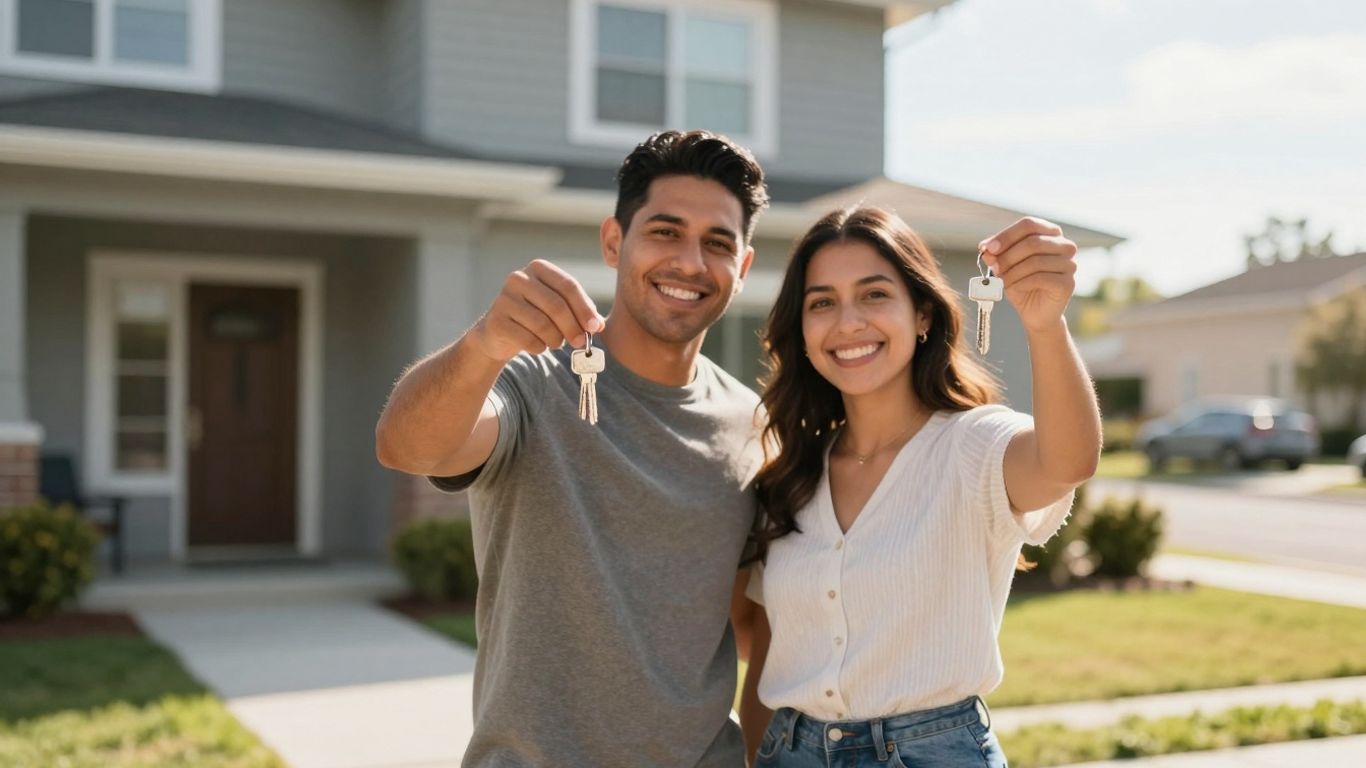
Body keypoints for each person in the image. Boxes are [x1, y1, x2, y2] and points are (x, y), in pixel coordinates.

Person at [375, 130, 771, 767]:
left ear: (743, 268)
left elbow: (753, 627)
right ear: (615, 242)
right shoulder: (530, 384)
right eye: (665, 232)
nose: (691, 263)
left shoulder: (751, 423)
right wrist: (483, 345)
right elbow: (407, 447)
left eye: (718, 243)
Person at [738, 207, 1101, 767]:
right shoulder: (790, 475)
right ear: (802, 330)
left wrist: (1045, 322)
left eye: (875, 294)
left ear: (923, 314)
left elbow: (1067, 462)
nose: (848, 321)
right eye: (822, 302)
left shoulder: (973, 445)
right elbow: (768, 658)